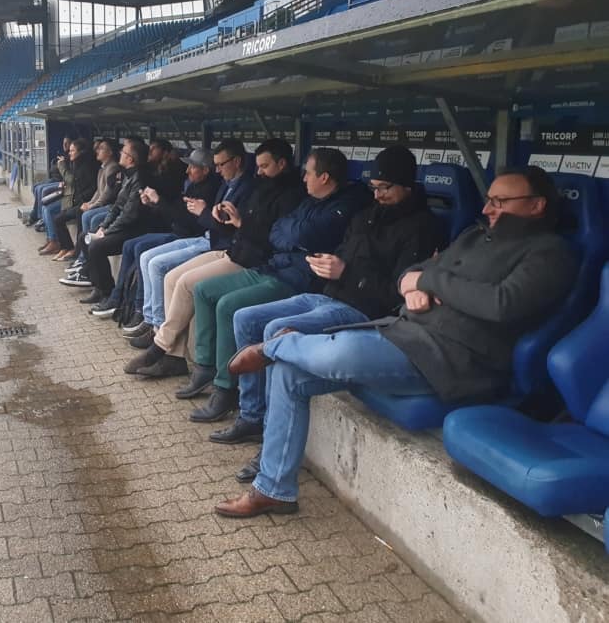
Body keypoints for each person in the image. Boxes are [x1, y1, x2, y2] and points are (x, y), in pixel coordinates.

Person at [214, 166, 576, 518]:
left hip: (451, 360)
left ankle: (274, 346)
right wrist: (416, 282)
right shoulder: (473, 235)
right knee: (290, 374)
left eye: (500, 202)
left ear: (536, 205)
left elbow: (500, 303)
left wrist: (431, 283)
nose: (487, 209)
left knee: (342, 350)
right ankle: (273, 490)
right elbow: (415, 270)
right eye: (488, 200)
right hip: (404, 332)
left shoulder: (548, 252)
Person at [215, 146, 445, 463]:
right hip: (327, 294)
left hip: (364, 312)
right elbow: (300, 239)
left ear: (407, 184)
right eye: (374, 188)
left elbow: (397, 293)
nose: (378, 195)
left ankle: (266, 430)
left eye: (386, 188)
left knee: (274, 330)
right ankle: (251, 415)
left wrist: (346, 271)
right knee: (245, 318)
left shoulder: (422, 226)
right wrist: (331, 265)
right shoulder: (365, 215)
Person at [125, 139, 310, 378]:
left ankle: (161, 347)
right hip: (230, 248)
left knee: (185, 283)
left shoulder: (281, 193)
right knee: (171, 277)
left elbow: (270, 237)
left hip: (248, 258)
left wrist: (219, 217)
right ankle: (173, 355)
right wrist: (216, 217)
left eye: (264, 166)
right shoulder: (246, 186)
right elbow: (227, 226)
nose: (259, 171)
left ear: (282, 164)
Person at [125, 139, 256, 342]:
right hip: (201, 237)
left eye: (221, 165)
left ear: (237, 161)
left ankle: (158, 328)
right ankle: (150, 320)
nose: (218, 170)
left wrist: (202, 213)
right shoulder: (223, 185)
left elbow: (214, 226)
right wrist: (155, 204)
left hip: (210, 242)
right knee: (145, 256)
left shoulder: (240, 188)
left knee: (159, 265)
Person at [87, 148, 221, 319]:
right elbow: (173, 212)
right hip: (176, 231)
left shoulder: (209, 190)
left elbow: (187, 223)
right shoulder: (193, 185)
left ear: (205, 170)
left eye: (192, 167)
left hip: (188, 236)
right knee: (130, 246)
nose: (187, 171)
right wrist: (153, 204)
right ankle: (118, 299)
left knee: (144, 253)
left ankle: (140, 311)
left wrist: (159, 201)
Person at [79, 138, 155, 305]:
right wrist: (102, 226)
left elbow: (129, 214)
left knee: (96, 246)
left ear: (130, 159)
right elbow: (116, 207)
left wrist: (107, 232)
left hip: (135, 229)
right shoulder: (129, 175)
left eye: (124, 152)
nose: (120, 153)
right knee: (85, 237)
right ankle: (98, 287)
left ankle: (107, 292)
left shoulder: (140, 178)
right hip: (122, 226)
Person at [54, 139, 122, 261]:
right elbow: (98, 191)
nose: (97, 151)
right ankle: (76, 252)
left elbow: (107, 194)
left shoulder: (112, 168)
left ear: (110, 152)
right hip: (84, 201)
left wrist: (92, 205)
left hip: (108, 205)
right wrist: (90, 203)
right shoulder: (103, 167)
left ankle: (83, 257)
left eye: (101, 148)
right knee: (67, 214)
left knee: (87, 215)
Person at [39, 138, 98, 258]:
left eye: (72, 150)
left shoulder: (86, 165)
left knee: (67, 216)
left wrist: (82, 201)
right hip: (72, 198)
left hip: (82, 201)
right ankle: (65, 247)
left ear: (80, 152)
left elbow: (87, 187)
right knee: (53, 212)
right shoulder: (74, 162)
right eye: (69, 150)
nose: (69, 153)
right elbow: (69, 181)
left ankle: (74, 251)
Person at [24, 135, 71, 228]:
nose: (65, 145)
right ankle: (37, 214)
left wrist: (62, 164)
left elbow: (68, 176)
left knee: (42, 189)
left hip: (62, 182)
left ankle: (40, 218)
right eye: (64, 143)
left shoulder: (71, 157)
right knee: (36, 187)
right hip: (55, 178)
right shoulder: (62, 153)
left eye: (67, 143)